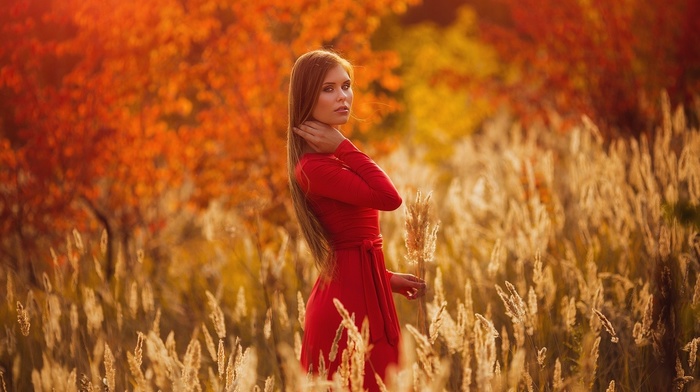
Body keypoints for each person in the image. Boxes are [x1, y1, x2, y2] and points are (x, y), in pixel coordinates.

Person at [287, 49, 427, 390]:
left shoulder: (329, 161)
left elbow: (350, 239)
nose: (343, 97)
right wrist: (344, 145)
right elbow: (389, 198)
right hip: (344, 310)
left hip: (367, 292)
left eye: (346, 85)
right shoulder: (314, 167)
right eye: (328, 89)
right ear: (307, 98)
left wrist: (386, 278)